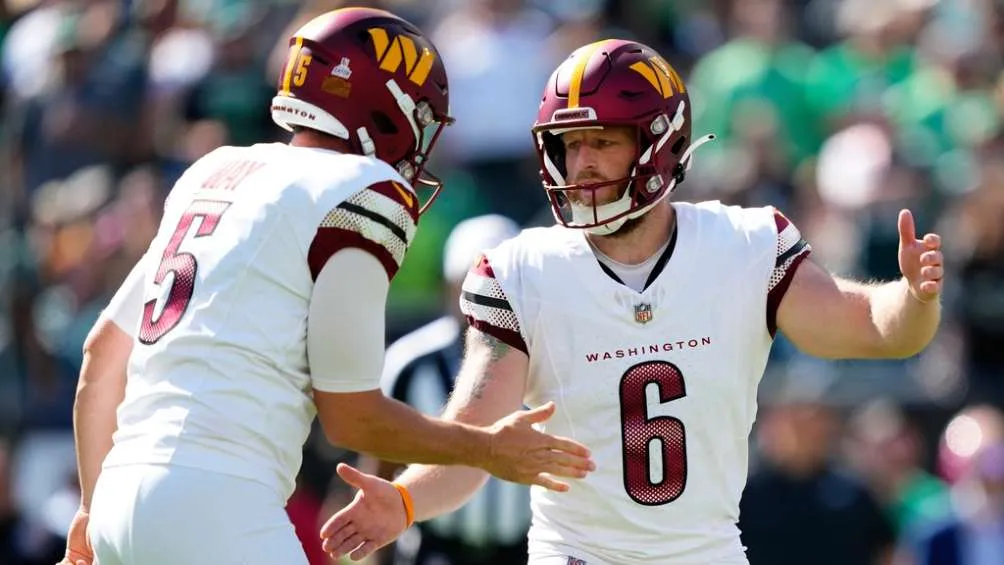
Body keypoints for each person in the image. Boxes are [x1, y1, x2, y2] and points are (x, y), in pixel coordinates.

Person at [319, 38, 945, 564]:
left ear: (658, 143)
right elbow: (473, 442)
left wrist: (915, 298)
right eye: (570, 145)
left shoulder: (747, 244)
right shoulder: (520, 271)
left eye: (602, 142)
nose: (581, 164)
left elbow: (873, 329)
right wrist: (403, 502)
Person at [57, 8, 593, 565]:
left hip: (117, 493)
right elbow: (351, 415)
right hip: (219, 501)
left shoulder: (212, 171)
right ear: (388, 107)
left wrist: (93, 510)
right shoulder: (361, 188)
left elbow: (101, 358)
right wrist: (485, 448)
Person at [354, 214, 531, 565]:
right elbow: (383, 464)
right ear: (450, 286)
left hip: (525, 551)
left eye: (499, 288)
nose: (485, 300)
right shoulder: (411, 361)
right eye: (472, 285)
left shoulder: (547, 361)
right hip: (438, 551)